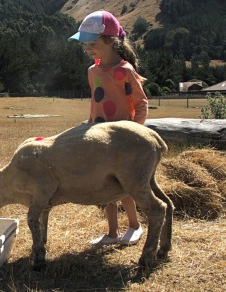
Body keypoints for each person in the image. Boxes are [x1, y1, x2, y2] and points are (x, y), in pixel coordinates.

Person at [69, 10, 148, 245]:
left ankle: (134, 225)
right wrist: (89, 127)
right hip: (99, 138)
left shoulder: (125, 71)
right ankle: (113, 233)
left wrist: (136, 132)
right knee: (106, 186)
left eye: (92, 44)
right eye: (85, 45)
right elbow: (96, 104)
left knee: (124, 185)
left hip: (122, 139)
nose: (88, 49)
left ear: (111, 41)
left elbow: (141, 104)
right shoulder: (92, 72)